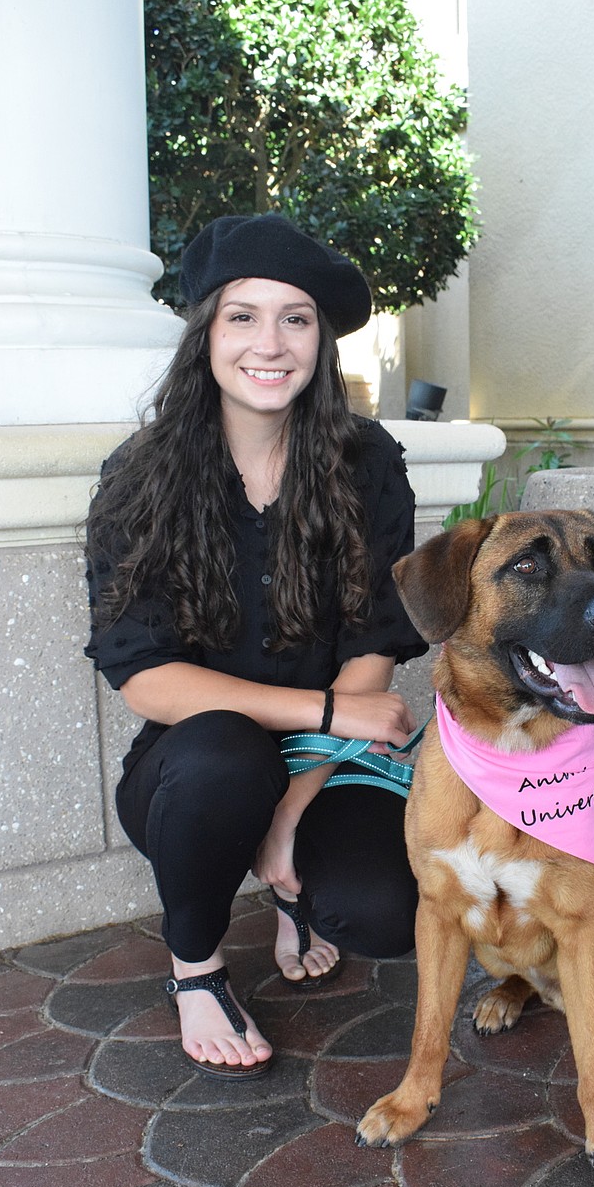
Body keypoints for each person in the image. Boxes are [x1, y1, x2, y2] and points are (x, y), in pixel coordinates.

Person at [84, 213, 428, 1080]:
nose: (269, 343)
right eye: (242, 316)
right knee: (224, 753)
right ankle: (195, 966)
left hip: (329, 758)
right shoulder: (143, 474)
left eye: (296, 318)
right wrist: (322, 709)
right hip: (189, 773)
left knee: (386, 912)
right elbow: (147, 678)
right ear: (206, 332)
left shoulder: (366, 461)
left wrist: (293, 808)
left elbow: (373, 640)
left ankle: (291, 885)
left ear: (320, 339)